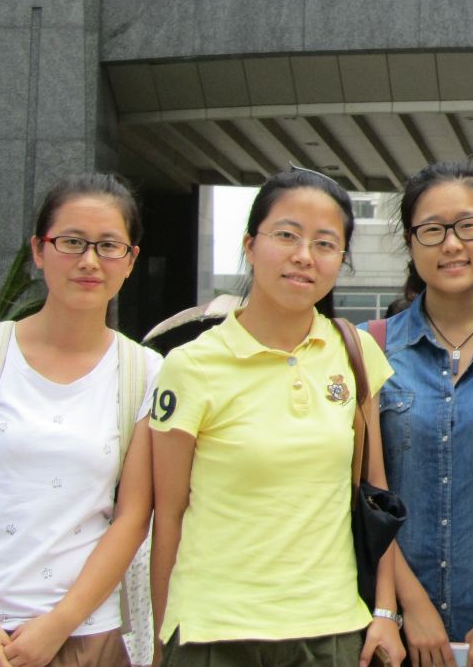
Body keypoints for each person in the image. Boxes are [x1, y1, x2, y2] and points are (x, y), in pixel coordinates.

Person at [149, 168, 405, 667]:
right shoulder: (191, 365)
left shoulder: (356, 353)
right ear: (250, 244)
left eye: (325, 243)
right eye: (286, 235)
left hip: (332, 632)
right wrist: (163, 637)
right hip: (214, 634)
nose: (304, 256)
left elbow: (375, 491)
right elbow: (169, 514)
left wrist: (385, 612)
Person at [0, 173, 160, 667]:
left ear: (131, 260)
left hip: (82, 636)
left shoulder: (146, 372)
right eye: (71, 242)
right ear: (38, 250)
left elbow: (133, 514)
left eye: (109, 246)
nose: (89, 261)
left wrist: (57, 626)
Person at [362, 162, 473, 667]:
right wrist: (409, 606)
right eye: (432, 230)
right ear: (410, 241)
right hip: (393, 630)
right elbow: (364, 494)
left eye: (468, 225)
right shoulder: (371, 349)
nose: (452, 244)